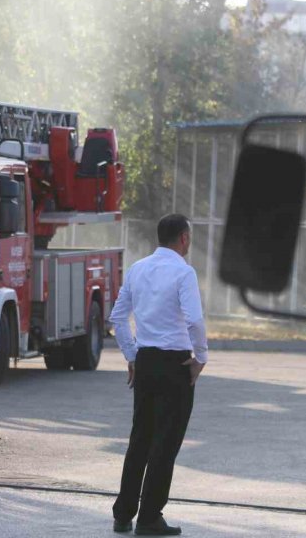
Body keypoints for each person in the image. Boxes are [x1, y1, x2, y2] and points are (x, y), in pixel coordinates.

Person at [108, 214, 208, 536]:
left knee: (140, 439)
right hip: (175, 366)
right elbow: (193, 320)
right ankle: (150, 517)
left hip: (146, 361)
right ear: (183, 238)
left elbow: (118, 318)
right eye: (189, 237)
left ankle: (123, 514)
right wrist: (200, 358)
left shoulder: (137, 269)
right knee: (165, 443)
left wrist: (132, 356)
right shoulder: (184, 272)